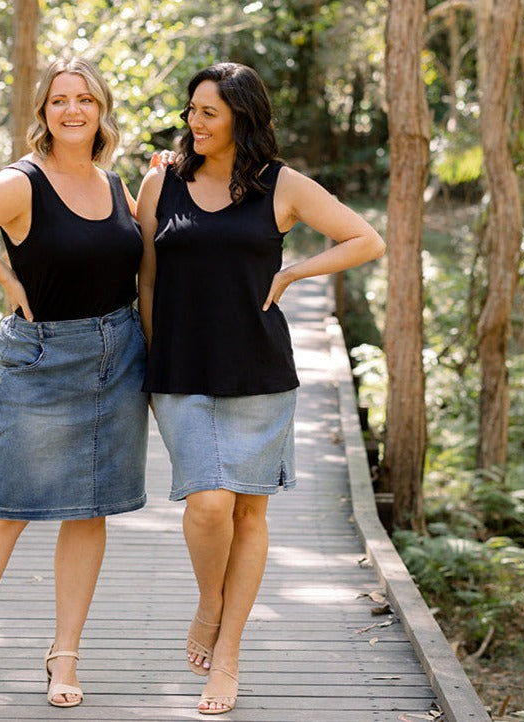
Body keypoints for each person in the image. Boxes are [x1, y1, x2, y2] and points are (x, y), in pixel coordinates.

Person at [136, 62, 385, 715]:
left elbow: (365, 239)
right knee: (208, 504)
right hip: (181, 370)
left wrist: (296, 271)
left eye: (209, 113)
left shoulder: (283, 186)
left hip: (259, 370)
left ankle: (229, 655)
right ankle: (210, 601)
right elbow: (147, 280)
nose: (194, 122)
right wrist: (149, 362)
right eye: (191, 110)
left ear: (242, 118)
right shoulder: (161, 181)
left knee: (249, 512)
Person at [0, 56, 148, 713]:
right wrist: (6, 280)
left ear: (102, 111)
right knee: (4, 509)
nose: (73, 110)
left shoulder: (114, 182)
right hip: (41, 360)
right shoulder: (23, 183)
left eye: (85, 100)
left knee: (89, 507)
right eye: (60, 100)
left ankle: (64, 654)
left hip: (118, 353)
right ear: (43, 113)